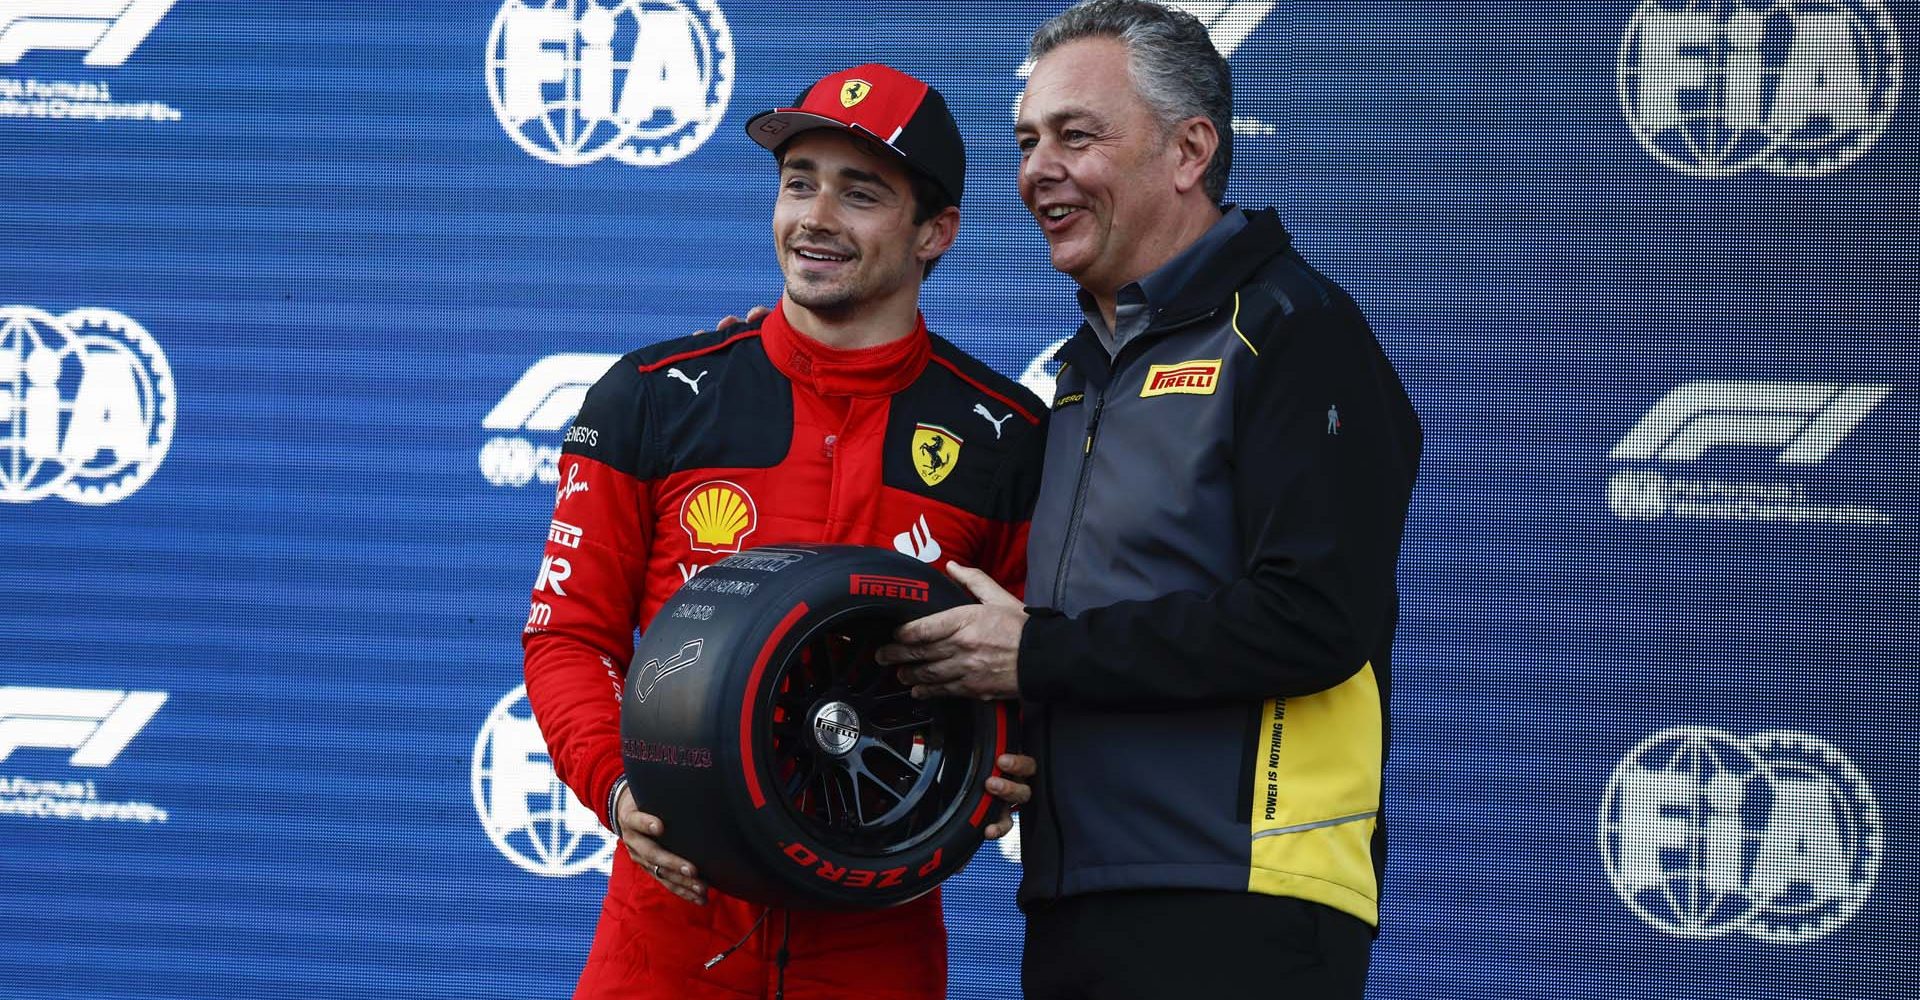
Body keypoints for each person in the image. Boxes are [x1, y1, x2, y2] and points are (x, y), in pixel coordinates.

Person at [877, 2, 1422, 997]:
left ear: (1190, 149)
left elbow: (1315, 617)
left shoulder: (1297, 329)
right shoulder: (1088, 369)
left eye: (1076, 135)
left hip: (1244, 898)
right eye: (1028, 140)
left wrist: (1035, 654)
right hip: (1079, 894)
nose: (1039, 168)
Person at [522, 63, 1047, 1000]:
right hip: (667, 935)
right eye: (799, 180)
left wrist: (1012, 763)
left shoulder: (1005, 437)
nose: (816, 217)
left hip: (877, 935)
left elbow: (1029, 664)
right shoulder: (653, 399)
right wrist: (620, 788)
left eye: (860, 193)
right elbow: (569, 637)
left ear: (935, 232)